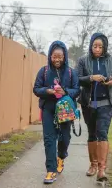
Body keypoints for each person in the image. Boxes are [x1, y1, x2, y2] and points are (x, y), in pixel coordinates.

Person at [76, 32, 112, 182]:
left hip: (106, 104)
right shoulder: (83, 61)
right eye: (94, 46)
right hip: (88, 104)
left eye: (100, 47)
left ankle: (101, 170)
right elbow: (77, 79)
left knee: (102, 133)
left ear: (104, 48)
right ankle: (93, 165)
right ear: (91, 46)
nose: (97, 49)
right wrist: (91, 78)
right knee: (92, 134)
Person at [33, 41, 80, 184]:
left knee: (65, 138)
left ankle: (61, 156)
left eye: (60, 56)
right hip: (48, 108)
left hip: (65, 109)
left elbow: (77, 90)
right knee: (49, 139)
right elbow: (36, 89)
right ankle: (50, 170)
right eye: (54, 56)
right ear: (50, 56)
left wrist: (65, 91)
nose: (57, 59)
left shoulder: (71, 72)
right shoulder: (44, 71)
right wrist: (47, 91)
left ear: (64, 56)